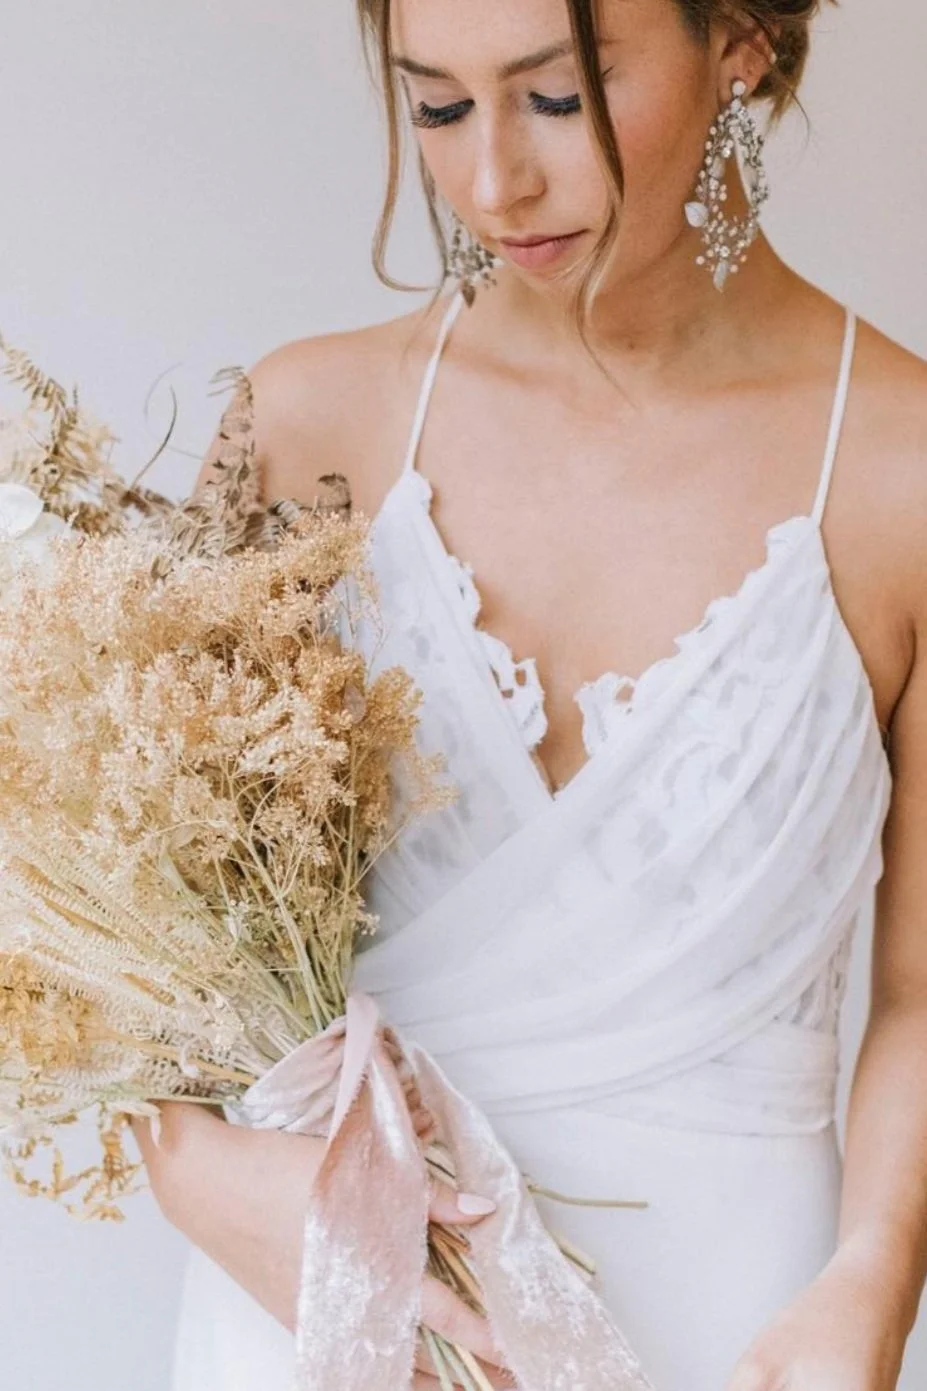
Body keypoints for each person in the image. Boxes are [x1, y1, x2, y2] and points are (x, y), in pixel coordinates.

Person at [133, 1, 927, 1388]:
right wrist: (199, 1167)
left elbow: (920, 989)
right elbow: (122, 926)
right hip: (320, 1302)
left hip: (733, 1327)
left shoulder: (900, 471)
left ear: (737, 34)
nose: (492, 181)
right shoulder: (307, 428)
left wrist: (871, 1274)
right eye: (437, 107)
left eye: (555, 98)